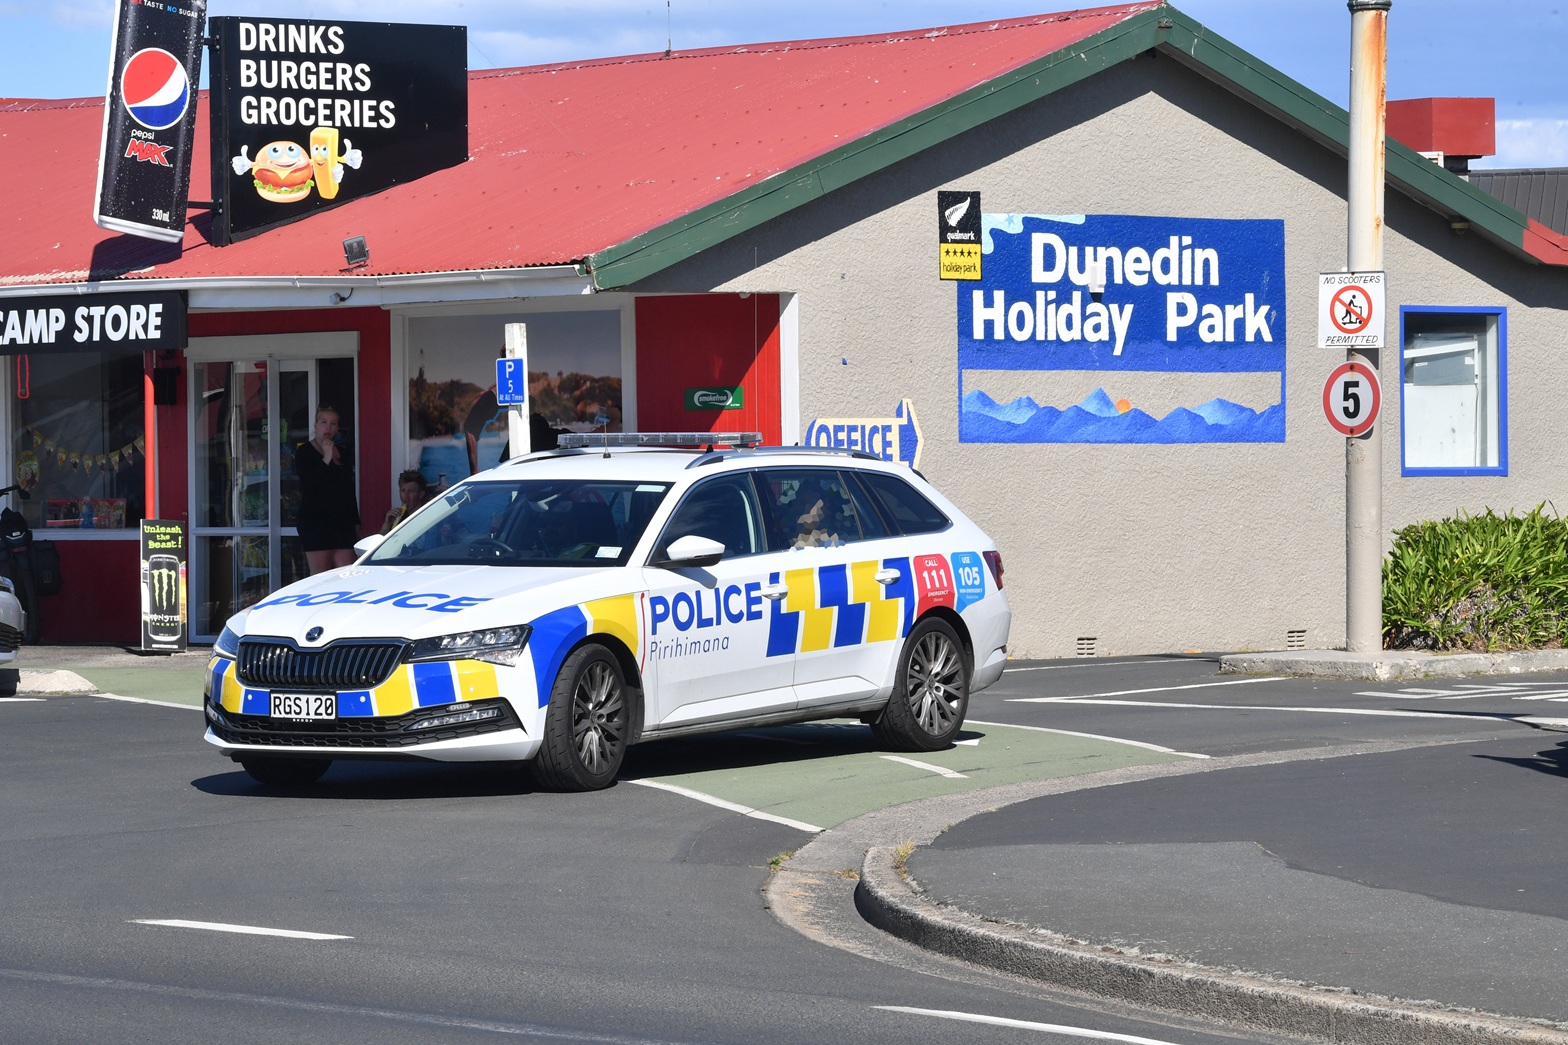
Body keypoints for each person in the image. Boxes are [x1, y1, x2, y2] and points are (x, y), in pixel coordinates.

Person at [295, 405, 360, 573]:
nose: (328, 427)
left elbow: (348, 491)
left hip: (342, 522)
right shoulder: (304, 452)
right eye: (324, 422)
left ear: (337, 428)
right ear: (316, 425)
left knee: (347, 575)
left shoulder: (344, 453)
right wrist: (326, 458)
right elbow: (309, 486)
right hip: (316, 522)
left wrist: (356, 524)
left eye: (333, 423)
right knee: (321, 577)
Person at [380, 469, 431, 534]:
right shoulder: (399, 517)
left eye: (411, 491)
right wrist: (386, 526)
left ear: (421, 494)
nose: (406, 496)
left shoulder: (428, 517)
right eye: (403, 491)